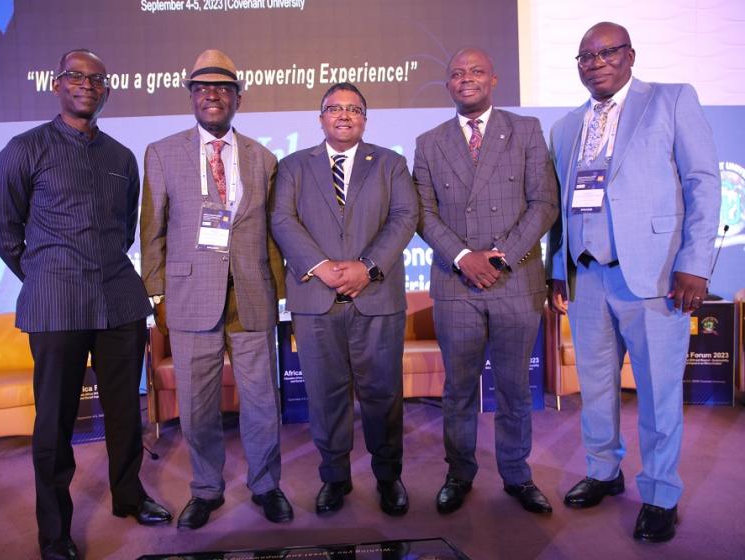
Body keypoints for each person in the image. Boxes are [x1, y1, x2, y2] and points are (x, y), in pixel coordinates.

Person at [0, 49, 171, 560]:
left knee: (125, 413)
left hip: (119, 300)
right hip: (56, 305)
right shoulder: (23, 150)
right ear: (56, 84)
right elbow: (3, 232)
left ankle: (129, 497)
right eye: (75, 76)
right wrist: (46, 276)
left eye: (96, 79)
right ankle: (54, 532)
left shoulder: (120, 157)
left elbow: (125, 229)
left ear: (106, 90)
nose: (86, 84)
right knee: (53, 423)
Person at [546, 22, 721, 542]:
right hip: (587, 277)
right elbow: (559, 209)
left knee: (658, 393)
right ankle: (603, 471)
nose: (595, 62)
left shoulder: (671, 101)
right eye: (584, 56)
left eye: (606, 52)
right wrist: (559, 269)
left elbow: (702, 182)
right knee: (596, 388)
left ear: (630, 55)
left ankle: (661, 492)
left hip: (657, 278)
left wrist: (695, 263)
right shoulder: (565, 127)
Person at [140, 49, 291, 530]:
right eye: (203, 87)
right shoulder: (162, 153)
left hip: (251, 296)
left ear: (238, 99)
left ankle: (266, 485)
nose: (212, 94)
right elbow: (152, 230)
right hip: (188, 298)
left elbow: (271, 233)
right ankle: (205, 489)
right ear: (190, 96)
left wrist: (280, 294)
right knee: (198, 404)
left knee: (263, 400)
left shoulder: (263, 158)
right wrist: (156, 293)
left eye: (223, 88)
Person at [413, 48, 558, 515]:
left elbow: (544, 204)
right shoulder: (429, 141)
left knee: (516, 387)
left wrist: (499, 258)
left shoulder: (526, 130)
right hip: (456, 283)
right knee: (458, 389)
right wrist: (462, 256)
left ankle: (517, 474)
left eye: (476, 71)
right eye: (457, 74)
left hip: (514, 279)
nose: (466, 79)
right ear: (448, 85)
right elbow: (423, 213)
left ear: (494, 79)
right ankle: (459, 472)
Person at [270, 82, 417, 517]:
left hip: (377, 298)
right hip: (315, 298)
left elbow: (405, 216)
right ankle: (334, 478)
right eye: (334, 108)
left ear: (365, 120)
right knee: (325, 394)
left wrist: (366, 266)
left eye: (354, 109)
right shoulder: (293, 166)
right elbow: (281, 218)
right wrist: (321, 266)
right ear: (321, 119)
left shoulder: (391, 163)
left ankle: (389, 477)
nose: (344, 115)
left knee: (382, 393)